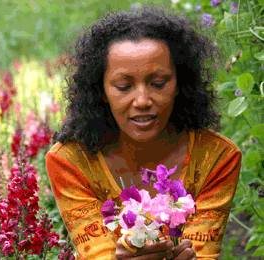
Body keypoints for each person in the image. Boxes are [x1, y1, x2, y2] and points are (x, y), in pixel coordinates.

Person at [46, 3, 242, 260]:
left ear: (180, 84)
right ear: (101, 91)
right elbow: (97, 254)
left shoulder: (217, 157)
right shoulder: (70, 161)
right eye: (123, 86)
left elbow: (203, 253)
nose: (142, 100)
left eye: (158, 83)